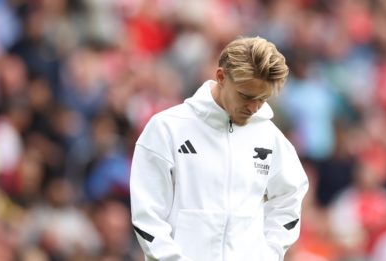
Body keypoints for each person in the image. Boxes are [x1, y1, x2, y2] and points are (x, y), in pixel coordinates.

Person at [130, 36, 309, 261]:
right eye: (246, 96)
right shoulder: (166, 129)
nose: (254, 107)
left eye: (263, 99)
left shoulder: (271, 138)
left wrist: (269, 254)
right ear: (221, 77)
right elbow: (147, 216)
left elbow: (289, 198)